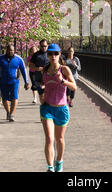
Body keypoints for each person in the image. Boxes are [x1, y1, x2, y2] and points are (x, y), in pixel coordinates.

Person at [39, 43, 77, 172]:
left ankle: (59, 162)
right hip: (47, 108)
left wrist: (63, 81)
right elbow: (44, 86)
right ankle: (50, 167)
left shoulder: (64, 69)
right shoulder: (45, 70)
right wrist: (41, 91)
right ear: (47, 55)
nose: (53, 56)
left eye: (55, 53)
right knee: (49, 138)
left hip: (61, 109)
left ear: (59, 54)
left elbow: (74, 87)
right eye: (50, 53)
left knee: (59, 139)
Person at [0, 44, 29, 122]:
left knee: (14, 97)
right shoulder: (1, 58)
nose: (10, 52)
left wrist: (26, 82)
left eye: (12, 50)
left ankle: (12, 114)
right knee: (4, 98)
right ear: (6, 50)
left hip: (14, 81)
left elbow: (24, 70)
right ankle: (8, 112)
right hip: (3, 81)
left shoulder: (18, 59)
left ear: (14, 51)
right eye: (9, 50)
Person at [29, 39, 49, 104]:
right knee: (42, 95)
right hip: (39, 79)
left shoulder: (51, 54)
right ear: (40, 46)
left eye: (45, 46)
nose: (44, 47)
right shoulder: (36, 55)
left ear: (47, 46)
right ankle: (44, 108)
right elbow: (30, 65)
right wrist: (37, 68)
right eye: (42, 46)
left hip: (49, 78)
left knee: (49, 95)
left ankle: (48, 110)